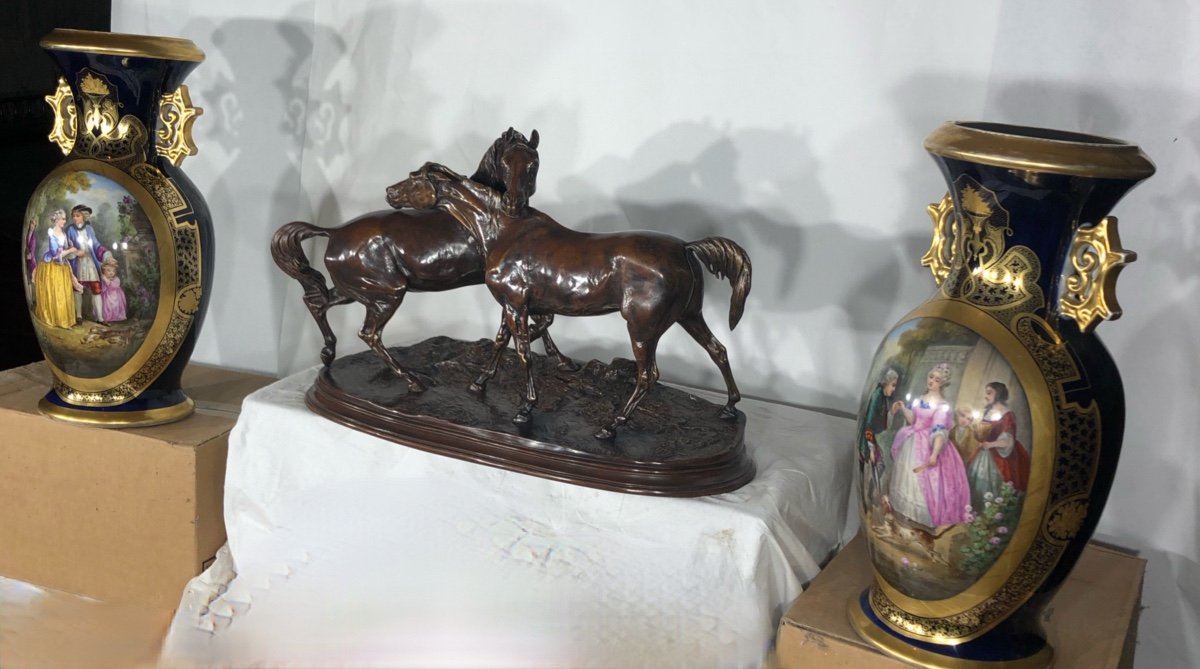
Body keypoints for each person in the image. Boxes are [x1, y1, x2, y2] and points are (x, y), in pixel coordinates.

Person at [887, 363, 971, 530]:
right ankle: (906, 520)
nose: (932, 381)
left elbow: (939, 431)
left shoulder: (942, 406)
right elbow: (913, 421)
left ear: (942, 384)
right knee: (907, 478)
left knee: (926, 482)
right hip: (912, 440)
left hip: (929, 445)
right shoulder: (920, 399)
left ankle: (922, 523)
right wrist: (904, 407)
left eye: (937, 379)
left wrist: (935, 454)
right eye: (931, 377)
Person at [976, 382, 1031, 493]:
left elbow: (1008, 441)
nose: (986, 396)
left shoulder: (1007, 414)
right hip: (984, 452)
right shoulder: (987, 412)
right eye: (986, 393)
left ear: (999, 394)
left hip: (1001, 456)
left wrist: (991, 444)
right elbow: (982, 432)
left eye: (989, 393)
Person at [65, 204, 112, 325]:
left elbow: (95, 244)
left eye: (77, 215)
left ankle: (100, 318)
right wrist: (76, 252)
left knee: (96, 288)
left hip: (90, 262)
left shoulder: (89, 229)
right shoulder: (70, 229)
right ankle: (79, 316)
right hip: (78, 263)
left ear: (84, 216)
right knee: (77, 288)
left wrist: (106, 254)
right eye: (73, 216)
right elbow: (67, 246)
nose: (75, 218)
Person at [32, 209, 79, 329]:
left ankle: (64, 320)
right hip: (51, 265)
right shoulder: (52, 233)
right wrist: (70, 250)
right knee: (55, 290)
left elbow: (64, 251)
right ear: (57, 220)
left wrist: (71, 248)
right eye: (63, 219)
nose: (65, 221)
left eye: (64, 219)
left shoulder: (63, 233)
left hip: (61, 265)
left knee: (63, 291)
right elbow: (55, 254)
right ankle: (54, 318)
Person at [859, 368, 898, 504]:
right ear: (886, 383)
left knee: (880, 466)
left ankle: (872, 495)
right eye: (892, 385)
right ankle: (869, 498)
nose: (893, 389)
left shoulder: (884, 398)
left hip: (876, 439)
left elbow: (883, 424)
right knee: (874, 466)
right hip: (869, 439)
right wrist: (871, 448)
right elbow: (869, 422)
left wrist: (891, 413)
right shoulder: (877, 395)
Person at [100, 256, 127, 323]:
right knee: (107, 307)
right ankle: (108, 317)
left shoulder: (116, 279)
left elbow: (114, 286)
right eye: (108, 270)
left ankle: (116, 317)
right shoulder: (103, 279)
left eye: (113, 271)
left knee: (115, 306)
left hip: (116, 295)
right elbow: (102, 287)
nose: (111, 272)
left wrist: (106, 280)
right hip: (106, 296)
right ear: (103, 271)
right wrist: (104, 280)